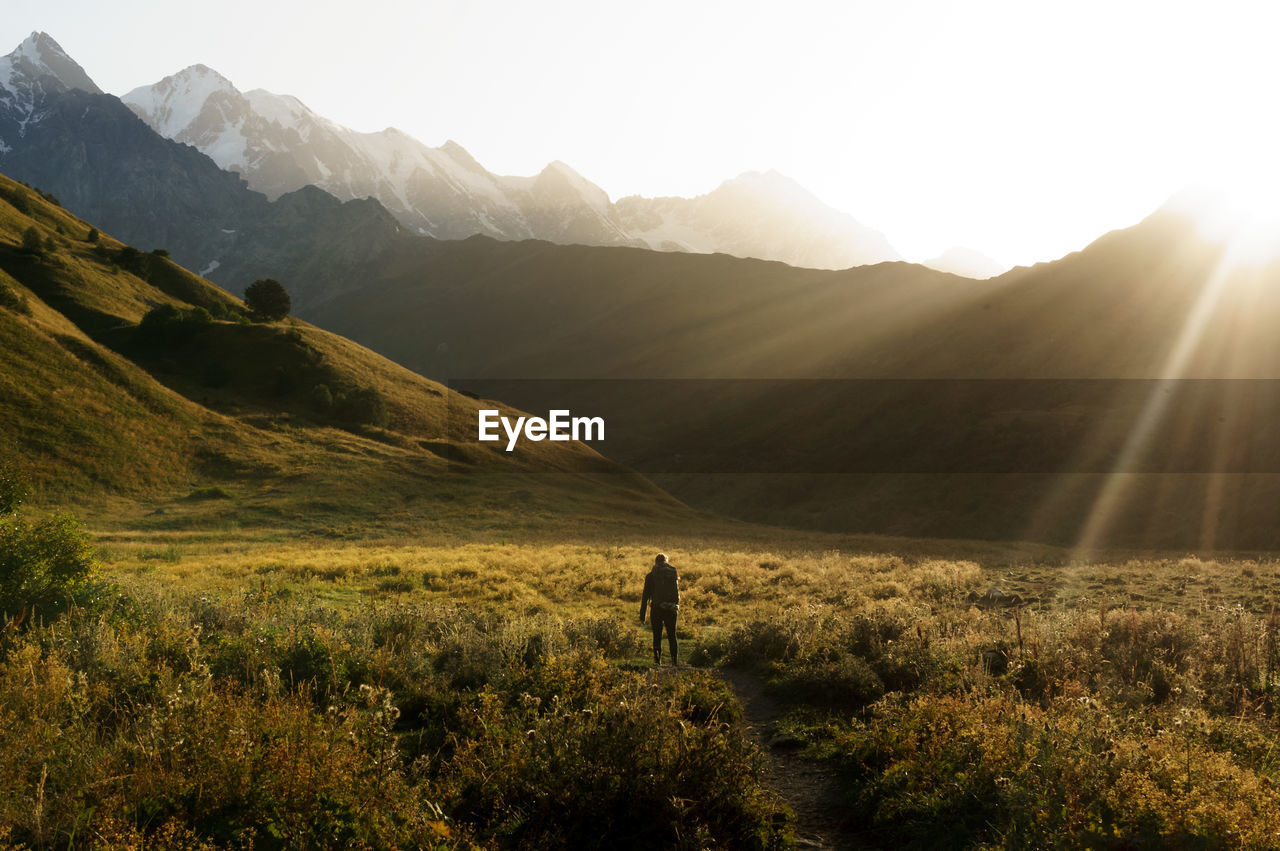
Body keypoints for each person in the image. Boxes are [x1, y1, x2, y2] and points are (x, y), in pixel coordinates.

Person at [639, 553, 680, 665]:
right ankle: (674, 661)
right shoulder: (672, 573)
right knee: (672, 635)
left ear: (655, 562)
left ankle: (658, 662)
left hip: (657, 609)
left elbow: (645, 597)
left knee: (657, 635)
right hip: (672, 609)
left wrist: (642, 615)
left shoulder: (651, 576)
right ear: (666, 561)